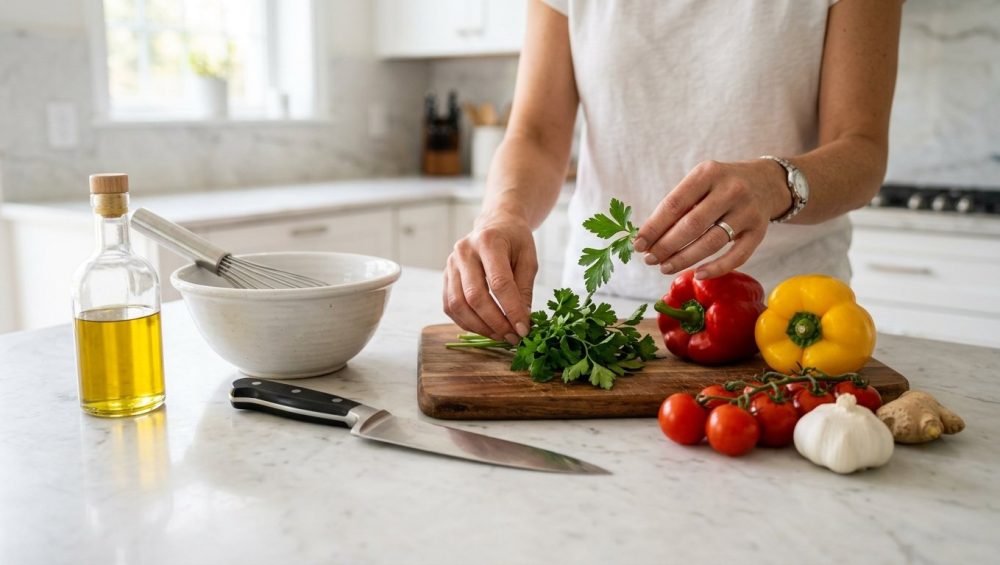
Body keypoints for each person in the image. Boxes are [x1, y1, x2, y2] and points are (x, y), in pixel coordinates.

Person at [443, 0, 903, 346]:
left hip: (787, 319)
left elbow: (862, 151)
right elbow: (538, 135)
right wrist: (502, 213)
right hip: (603, 314)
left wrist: (775, 183)